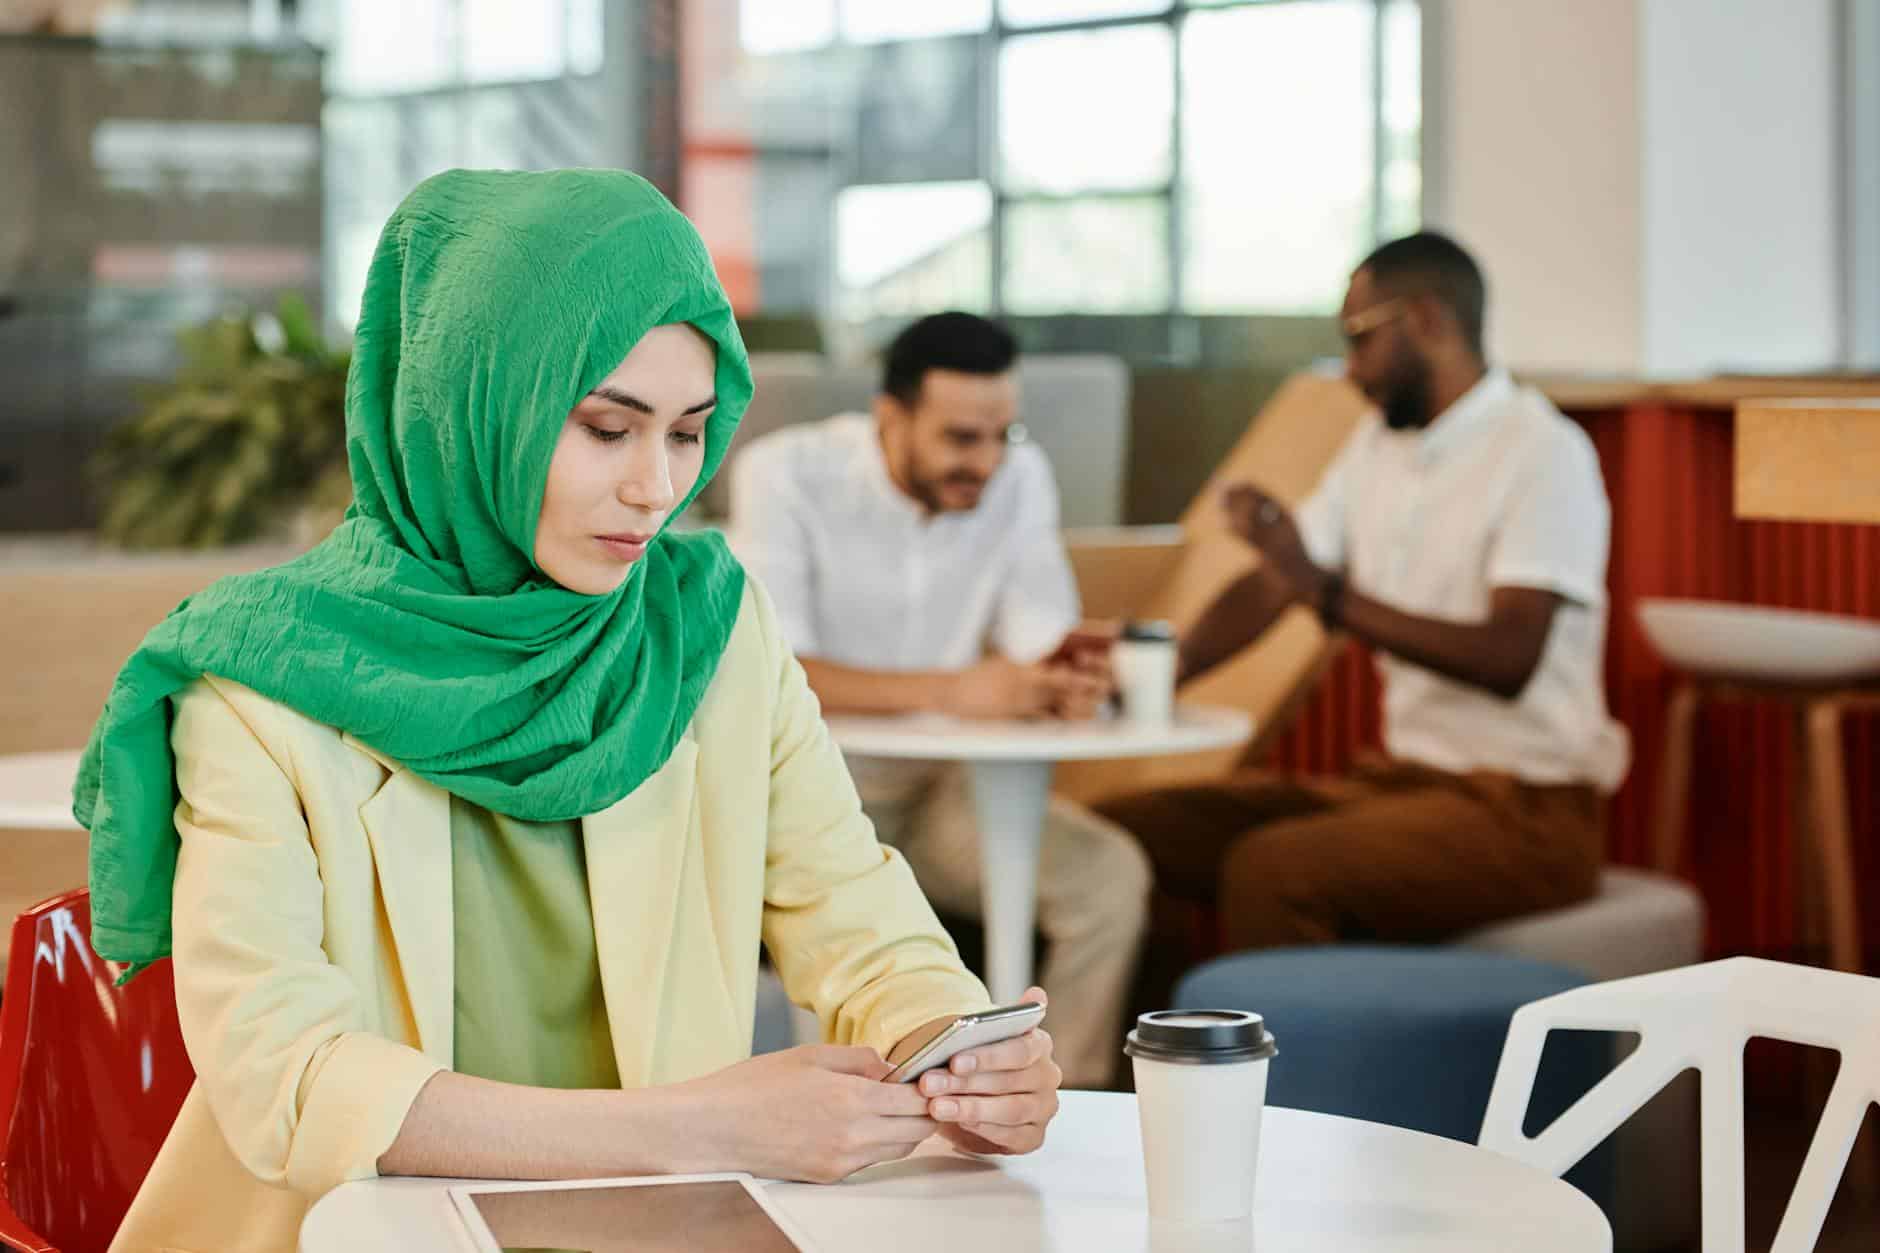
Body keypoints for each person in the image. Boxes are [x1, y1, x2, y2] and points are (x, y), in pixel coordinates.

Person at [76, 170, 1060, 1253]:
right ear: (468, 402)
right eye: (605, 427)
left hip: (657, 1226)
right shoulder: (259, 678)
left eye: (687, 433)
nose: (655, 486)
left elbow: (852, 909)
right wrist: (700, 1124)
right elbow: (288, 1074)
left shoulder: (708, 630)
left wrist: (956, 1044)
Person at [1098, 232, 1630, 957]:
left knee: (1275, 869)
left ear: (1428, 319)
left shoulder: (1542, 452)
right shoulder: (1377, 448)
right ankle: (1143, 1068)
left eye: (1360, 338)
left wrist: (1322, 591)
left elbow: (1511, 657)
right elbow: (1274, 583)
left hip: (1527, 812)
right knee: (1126, 833)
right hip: (1398, 787)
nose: (1350, 370)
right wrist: (1139, 687)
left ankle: (1274, 1075)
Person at [729, 312, 1151, 1089]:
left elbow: (1035, 633)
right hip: (809, 796)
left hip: (946, 791)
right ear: (891, 417)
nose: (986, 462)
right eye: (962, 438)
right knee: (825, 934)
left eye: (1003, 435)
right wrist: (959, 689)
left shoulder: (1019, 479)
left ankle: (1057, 1107)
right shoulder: (786, 472)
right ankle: (845, 1115)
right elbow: (771, 666)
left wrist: (1067, 671)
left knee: (1108, 878)